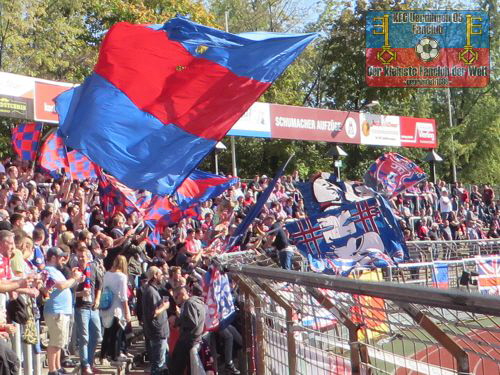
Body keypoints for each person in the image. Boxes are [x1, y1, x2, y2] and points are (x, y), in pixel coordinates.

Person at [43, 247, 84, 375]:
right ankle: (52, 370)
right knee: (55, 342)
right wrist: (74, 279)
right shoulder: (48, 270)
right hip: (56, 311)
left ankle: (57, 367)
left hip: (62, 311)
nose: (64, 260)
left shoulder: (56, 270)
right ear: (53, 258)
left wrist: (74, 278)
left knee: (59, 342)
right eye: (61, 257)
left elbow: (66, 284)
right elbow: (61, 286)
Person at [74, 246, 102, 374]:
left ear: (87, 257)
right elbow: (71, 292)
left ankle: (90, 362)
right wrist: (81, 294)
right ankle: (85, 365)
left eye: (82, 256)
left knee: (96, 335)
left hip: (93, 307)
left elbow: (99, 285)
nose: (80, 259)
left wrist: (97, 299)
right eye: (78, 256)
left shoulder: (93, 268)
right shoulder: (75, 271)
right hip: (81, 308)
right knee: (84, 337)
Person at [169, 284, 206, 374]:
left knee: (176, 367)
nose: (175, 300)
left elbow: (192, 322)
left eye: (176, 297)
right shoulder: (197, 302)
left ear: (182, 294)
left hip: (187, 340)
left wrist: (177, 321)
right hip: (194, 339)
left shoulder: (189, 303)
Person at [100, 255, 131, 362]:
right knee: (116, 334)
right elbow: (123, 296)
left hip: (106, 306)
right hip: (116, 308)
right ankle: (114, 356)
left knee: (107, 333)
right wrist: (127, 312)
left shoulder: (107, 274)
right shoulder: (122, 277)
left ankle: (103, 355)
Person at [142, 266, 170, 375]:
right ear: (155, 276)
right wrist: (165, 306)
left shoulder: (151, 289)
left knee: (160, 361)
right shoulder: (151, 291)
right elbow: (154, 312)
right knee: (159, 364)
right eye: (160, 274)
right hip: (157, 331)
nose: (162, 277)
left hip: (158, 331)